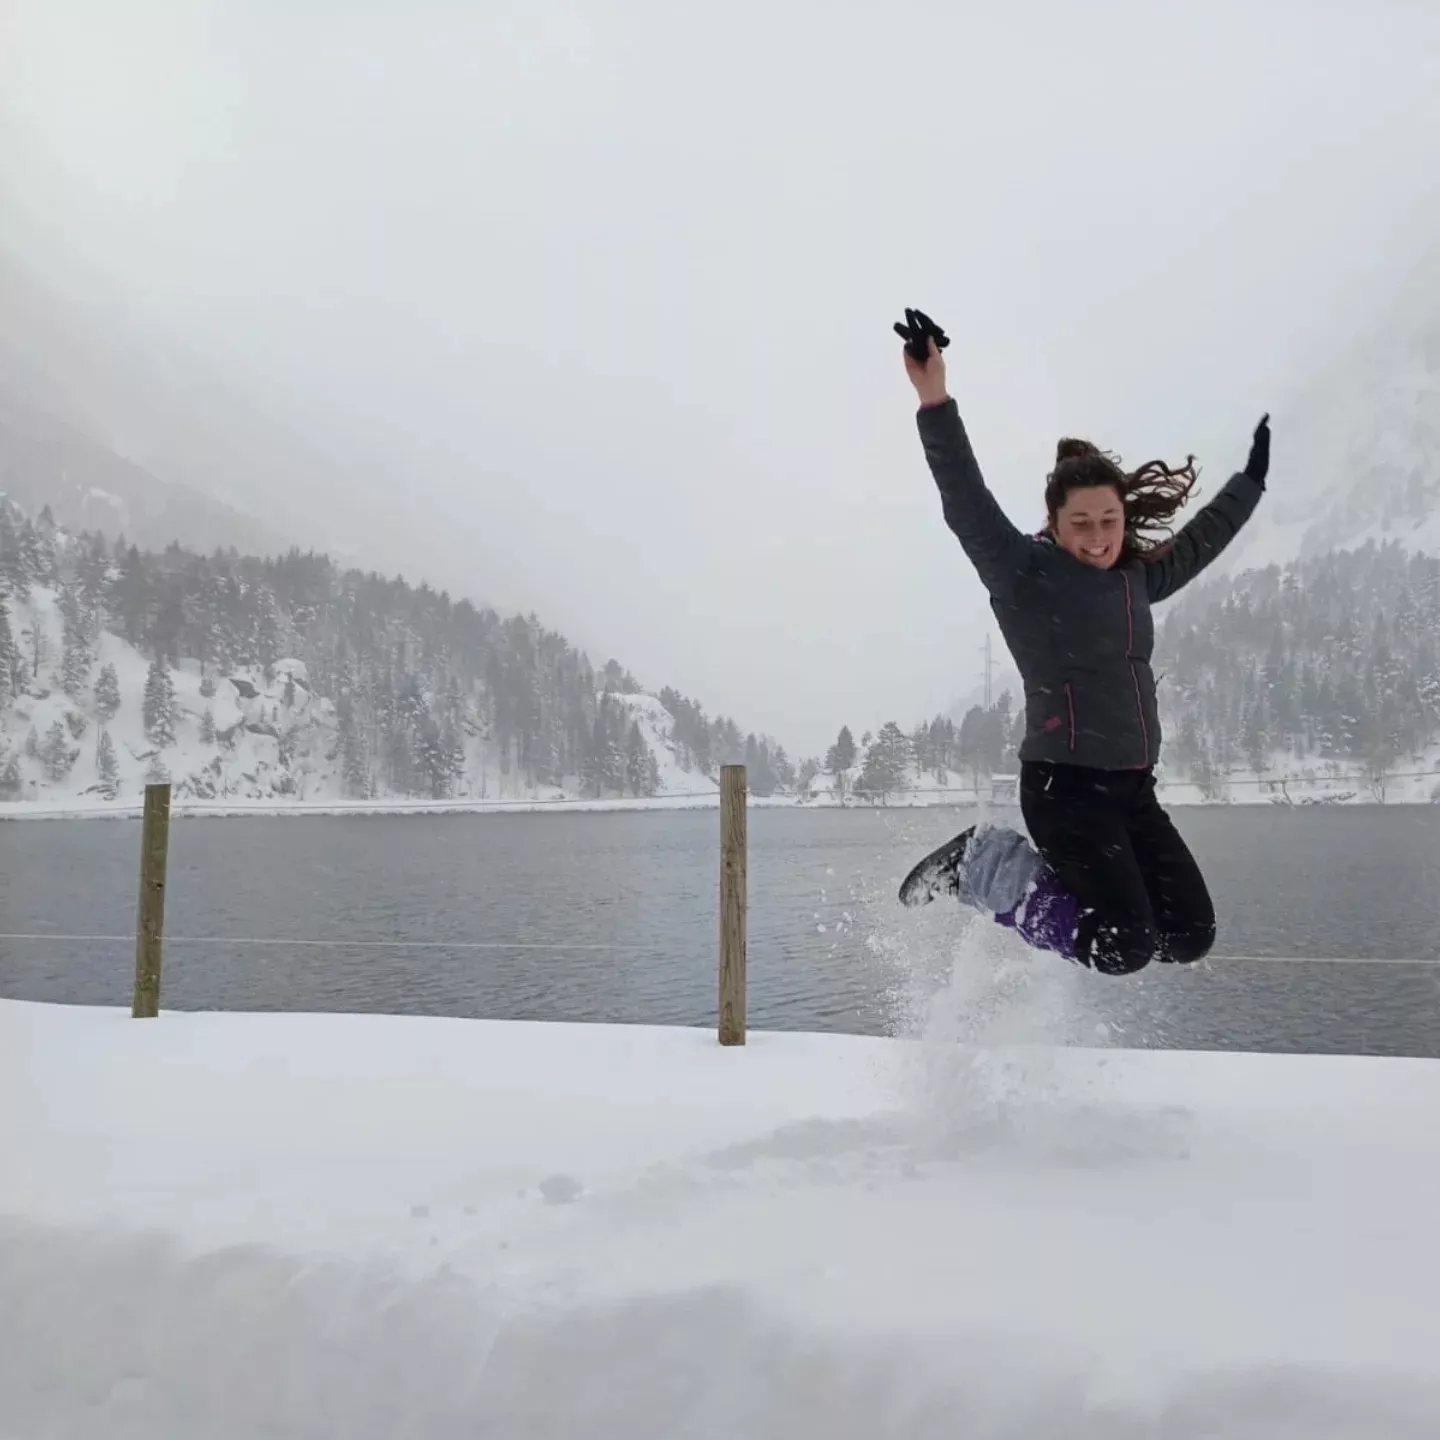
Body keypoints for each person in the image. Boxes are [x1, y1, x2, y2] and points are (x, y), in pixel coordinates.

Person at [892, 308, 1270, 975]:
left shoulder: (1134, 579)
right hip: (1065, 788)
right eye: (1083, 524)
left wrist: (1250, 483)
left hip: (1132, 788)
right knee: (1120, 946)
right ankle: (980, 865)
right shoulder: (1024, 573)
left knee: (1186, 935)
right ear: (1056, 524)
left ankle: (1023, 883)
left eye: (1110, 521)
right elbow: (966, 502)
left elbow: (1204, 541)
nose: (1098, 537)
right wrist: (934, 399)